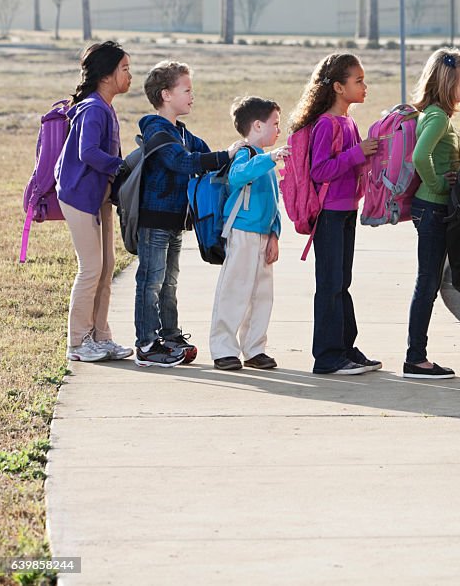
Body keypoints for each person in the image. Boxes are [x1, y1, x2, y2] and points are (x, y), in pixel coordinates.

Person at [134, 61, 245, 368]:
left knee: (169, 282)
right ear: (166, 95)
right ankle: (146, 344)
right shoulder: (157, 131)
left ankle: (169, 336)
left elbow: (205, 156)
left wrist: (235, 155)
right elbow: (183, 163)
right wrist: (225, 155)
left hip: (174, 223)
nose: (191, 95)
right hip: (154, 220)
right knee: (151, 282)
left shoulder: (182, 132)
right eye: (187, 89)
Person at [289, 53, 381, 375]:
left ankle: (345, 348)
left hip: (346, 212)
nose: (364, 86)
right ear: (339, 87)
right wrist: (358, 152)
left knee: (342, 282)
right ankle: (327, 357)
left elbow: (354, 165)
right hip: (328, 214)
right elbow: (320, 170)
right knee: (329, 284)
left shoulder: (349, 122)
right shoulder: (327, 124)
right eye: (358, 81)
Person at [55, 41, 133, 362]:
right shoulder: (94, 108)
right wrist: (121, 166)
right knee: (90, 268)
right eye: (125, 69)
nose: (130, 76)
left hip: (97, 196)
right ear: (107, 74)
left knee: (107, 266)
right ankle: (78, 342)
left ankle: (101, 336)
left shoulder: (105, 106)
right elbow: (87, 152)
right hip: (79, 196)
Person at [403, 48, 460, 380]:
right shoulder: (436, 117)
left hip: (431, 207)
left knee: (428, 282)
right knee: (427, 282)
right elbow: (421, 156)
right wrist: (439, 186)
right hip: (431, 207)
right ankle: (415, 358)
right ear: (449, 82)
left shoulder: (437, 115)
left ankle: (417, 355)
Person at [209, 96, 290, 371]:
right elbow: (237, 176)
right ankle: (224, 349)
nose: (279, 130)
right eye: (275, 124)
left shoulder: (266, 162)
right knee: (235, 291)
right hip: (242, 232)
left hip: (264, 236)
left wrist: (275, 234)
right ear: (257, 125)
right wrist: (270, 158)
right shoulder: (246, 153)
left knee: (261, 295)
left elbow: (273, 201)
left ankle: (255, 348)